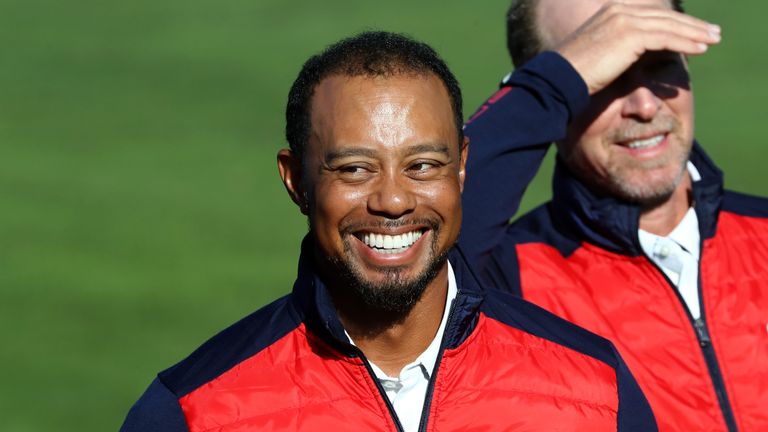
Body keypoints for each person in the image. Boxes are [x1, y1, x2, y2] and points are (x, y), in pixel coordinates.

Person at [120, 31, 657, 431]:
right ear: (296, 180)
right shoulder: (193, 410)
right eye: (354, 169)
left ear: (462, 168)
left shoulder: (596, 389)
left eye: (423, 165)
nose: (394, 200)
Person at [460, 1, 768, 431]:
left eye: (659, 62)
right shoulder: (503, 284)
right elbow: (413, 220)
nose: (644, 106)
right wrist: (546, 88)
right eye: (601, 76)